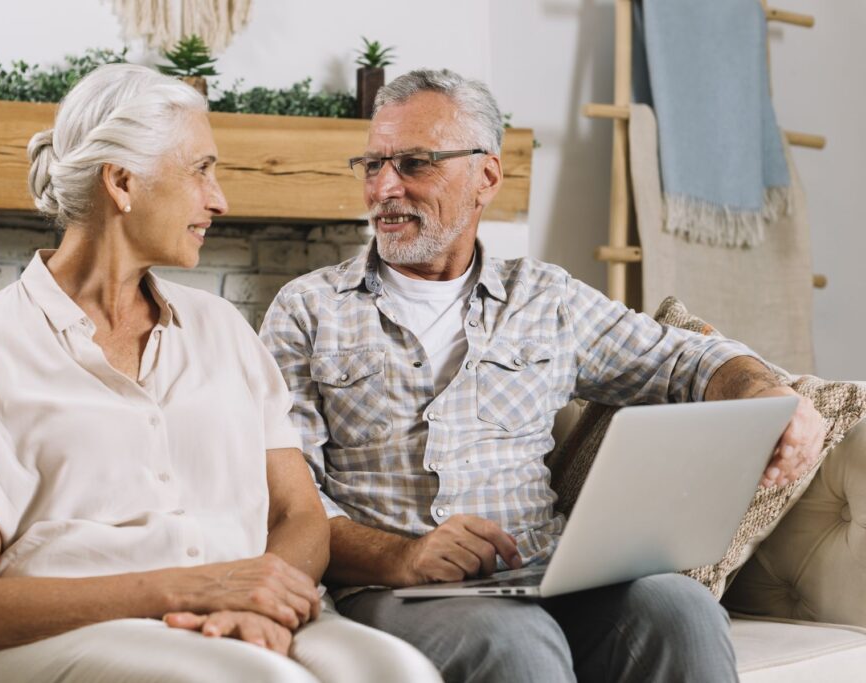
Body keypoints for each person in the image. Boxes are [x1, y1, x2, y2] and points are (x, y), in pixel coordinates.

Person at [259, 68, 827, 683]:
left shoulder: (546, 299)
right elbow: (288, 500)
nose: (384, 188)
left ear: (487, 177)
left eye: (414, 163)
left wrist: (769, 393)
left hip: (544, 574)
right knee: (514, 644)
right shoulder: (307, 309)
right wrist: (404, 556)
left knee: (683, 611)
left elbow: (686, 360)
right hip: (392, 589)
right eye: (373, 165)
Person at [0, 63, 440, 683]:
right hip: (65, 639)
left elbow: (299, 516)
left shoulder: (224, 330)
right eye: (201, 170)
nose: (220, 199)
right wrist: (201, 589)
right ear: (122, 182)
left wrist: (269, 595)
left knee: (399, 672)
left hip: (243, 615)